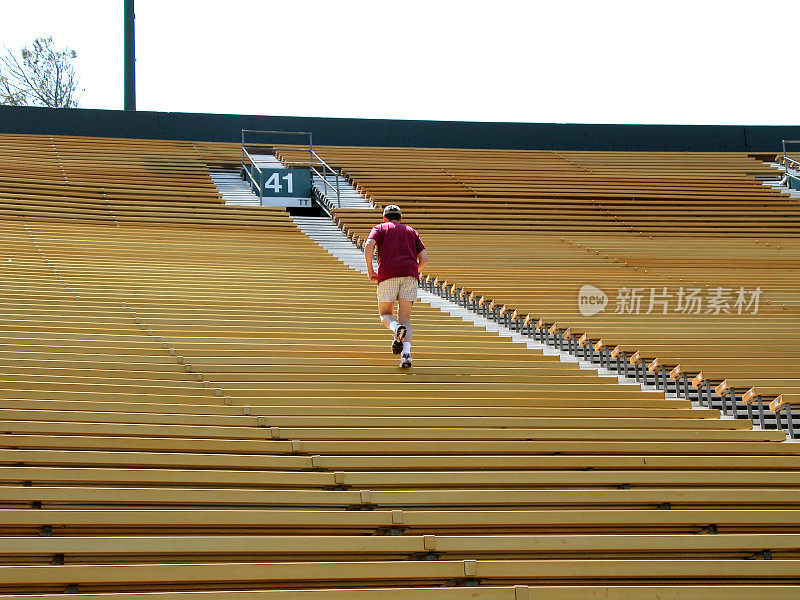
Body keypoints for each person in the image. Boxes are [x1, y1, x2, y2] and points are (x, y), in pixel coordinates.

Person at [364, 204, 428, 368]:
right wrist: (414, 271)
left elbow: (369, 244)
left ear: (385, 218)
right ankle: (406, 355)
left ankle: (396, 328)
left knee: (385, 314)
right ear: (400, 218)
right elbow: (425, 259)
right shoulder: (411, 231)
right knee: (405, 318)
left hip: (388, 274)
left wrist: (371, 270)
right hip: (410, 277)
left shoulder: (380, 228)